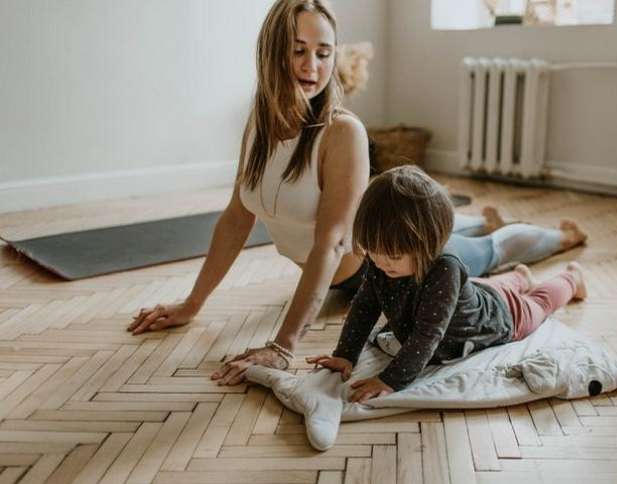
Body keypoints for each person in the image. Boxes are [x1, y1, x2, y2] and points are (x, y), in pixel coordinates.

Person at [126, 0, 586, 385]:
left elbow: (329, 245)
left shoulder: (341, 132)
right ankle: (480, 223)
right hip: (366, 262)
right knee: (474, 243)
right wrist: (191, 305)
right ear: (270, 53)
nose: (313, 66)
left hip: (394, 264)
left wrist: (283, 347)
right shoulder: (260, 126)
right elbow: (235, 219)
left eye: (324, 53)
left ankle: (559, 241)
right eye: (299, 50)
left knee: (486, 251)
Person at [307, 166, 587, 402]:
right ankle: (520, 276)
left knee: (539, 303)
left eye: (392, 256)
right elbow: (364, 306)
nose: (380, 263)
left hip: (502, 315)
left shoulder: (445, 269)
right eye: (373, 253)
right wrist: (345, 354)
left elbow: (428, 335)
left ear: (428, 244)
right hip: (474, 292)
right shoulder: (382, 262)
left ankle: (572, 278)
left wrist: (389, 380)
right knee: (488, 286)